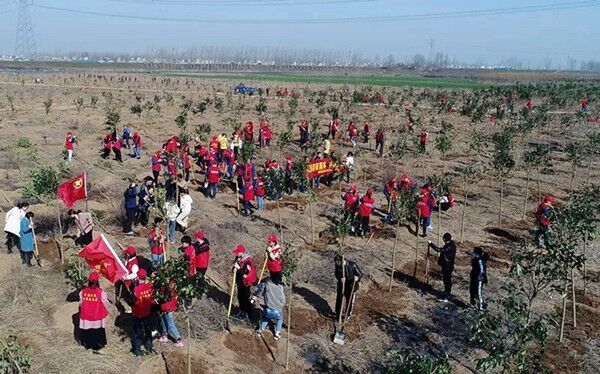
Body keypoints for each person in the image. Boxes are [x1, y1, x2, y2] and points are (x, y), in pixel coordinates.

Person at [78, 272, 111, 352]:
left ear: (89, 281)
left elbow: (81, 303)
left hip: (86, 316)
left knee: (87, 331)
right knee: (97, 331)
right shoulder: (101, 293)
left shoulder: (82, 292)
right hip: (97, 316)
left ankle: (87, 345)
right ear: (97, 281)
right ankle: (97, 347)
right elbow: (105, 304)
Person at [131, 269, 154, 356]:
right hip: (148, 312)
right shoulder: (150, 287)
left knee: (137, 332)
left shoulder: (136, 289)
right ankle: (149, 347)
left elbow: (133, 301)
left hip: (137, 314)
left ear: (138, 277)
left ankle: (137, 349)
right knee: (148, 330)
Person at [428, 233, 457, 302]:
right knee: (446, 280)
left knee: (447, 280)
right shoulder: (451, 244)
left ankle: (446, 296)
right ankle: (446, 292)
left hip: (447, 266)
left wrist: (431, 244)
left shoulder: (449, 247)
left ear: (444, 239)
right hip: (448, 265)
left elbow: (439, 250)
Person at [156, 279, 184, 347]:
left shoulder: (170, 291)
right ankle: (165, 334)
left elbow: (165, 298)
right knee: (163, 321)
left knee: (170, 324)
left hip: (168, 309)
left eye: (172, 283)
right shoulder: (170, 289)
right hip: (165, 309)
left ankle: (178, 339)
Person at [232, 245, 257, 319]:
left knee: (245, 299)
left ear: (242, 252)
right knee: (240, 297)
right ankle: (242, 311)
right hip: (239, 282)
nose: (236, 254)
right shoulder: (238, 258)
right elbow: (235, 267)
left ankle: (250, 316)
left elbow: (245, 275)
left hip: (245, 283)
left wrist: (238, 268)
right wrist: (234, 269)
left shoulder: (247, 262)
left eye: (238, 252)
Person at [334, 255, 362, 321]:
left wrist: (357, 278)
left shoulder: (352, 265)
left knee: (349, 301)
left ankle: (347, 315)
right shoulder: (337, 265)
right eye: (336, 262)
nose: (336, 264)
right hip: (341, 285)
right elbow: (336, 273)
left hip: (351, 286)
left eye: (338, 262)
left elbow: (360, 274)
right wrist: (340, 278)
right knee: (339, 300)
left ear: (342, 261)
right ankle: (338, 314)